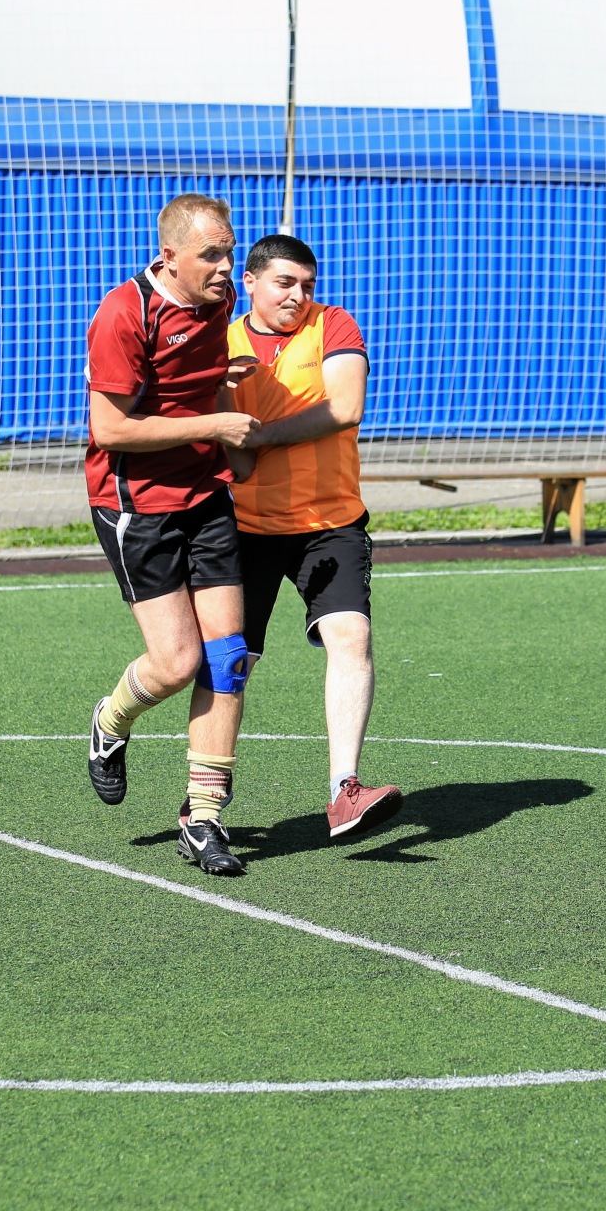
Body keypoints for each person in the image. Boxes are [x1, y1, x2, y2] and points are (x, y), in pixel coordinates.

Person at [82, 192, 262, 877]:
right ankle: (111, 721)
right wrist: (216, 425)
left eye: (229, 253)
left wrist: (222, 394)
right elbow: (111, 429)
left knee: (229, 657)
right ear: (169, 257)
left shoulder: (218, 303)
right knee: (178, 662)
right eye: (211, 255)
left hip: (204, 494)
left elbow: (197, 383)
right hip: (137, 505)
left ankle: (204, 817)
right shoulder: (124, 313)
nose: (225, 268)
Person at [225, 234, 403, 838]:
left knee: (352, 636)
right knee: (232, 661)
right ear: (250, 282)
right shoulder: (219, 343)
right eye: (285, 283)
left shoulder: (334, 325)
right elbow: (219, 442)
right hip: (243, 526)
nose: (298, 296)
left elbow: (345, 406)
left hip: (331, 523)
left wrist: (258, 436)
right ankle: (204, 799)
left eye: (307, 285)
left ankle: (344, 791)